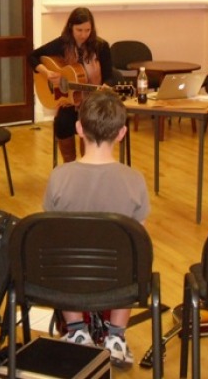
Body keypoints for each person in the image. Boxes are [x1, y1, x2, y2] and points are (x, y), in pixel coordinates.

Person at [42, 90, 150, 367]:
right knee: (133, 260)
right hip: (116, 278)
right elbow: (140, 242)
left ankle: (76, 329)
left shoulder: (59, 177)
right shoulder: (135, 180)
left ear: (78, 128)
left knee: (61, 255)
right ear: (122, 133)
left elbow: (51, 235)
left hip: (70, 277)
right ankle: (116, 336)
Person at [28, 7, 114, 163]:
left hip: (93, 103)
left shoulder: (101, 47)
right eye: (79, 30)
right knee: (62, 122)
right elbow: (32, 57)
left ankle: (87, 164)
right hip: (69, 102)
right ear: (70, 28)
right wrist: (47, 73)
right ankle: (70, 165)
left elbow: (110, 77)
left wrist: (107, 86)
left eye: (87, 30)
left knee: (88, 124)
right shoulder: (62, 44)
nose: (83, 35)